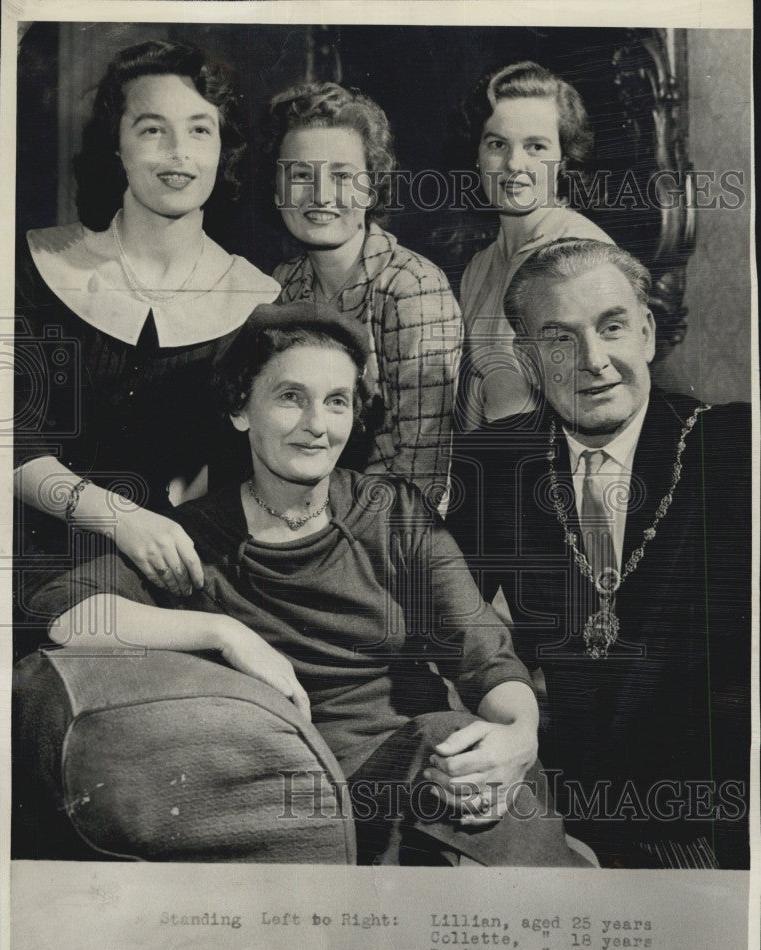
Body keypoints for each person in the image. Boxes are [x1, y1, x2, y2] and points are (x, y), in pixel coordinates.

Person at [30, 300, 592, 868]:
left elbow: (485, 657)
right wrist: (223, 632)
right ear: (240, 409)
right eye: (290, 397)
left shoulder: (391, 511)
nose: (317, 426)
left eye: (337, 402)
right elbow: (58, 610)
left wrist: (520, 734)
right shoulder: (196, 537)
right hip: (291, 803)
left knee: (462, 753)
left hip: (433, 764)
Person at [447, 238, 751, 868]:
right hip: (563, 811)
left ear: (645, 332)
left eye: (611, 327)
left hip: (715, 825)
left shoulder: (734, 450)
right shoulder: (496, 463)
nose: (593, 361)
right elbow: (444, 626)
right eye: (558, 339)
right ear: (528, 357)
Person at [14, 40, 280, 626]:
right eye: (152, 129)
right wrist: (121, 520)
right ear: (117, 143)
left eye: (200, 130)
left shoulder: (260, 302)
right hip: (25, 551)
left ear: (224, 148)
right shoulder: (34, 265)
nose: (177, 153)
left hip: (171, 566)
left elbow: (242, 478)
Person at [264, 82, 462, 499]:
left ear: (372, 188)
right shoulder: (281, 284)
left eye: (341, 175)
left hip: (389, 530)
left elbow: (424, 471)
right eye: (300, 175)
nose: (320, 195)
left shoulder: (411, 288)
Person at [454, 61, 613, 429]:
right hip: (499, 469)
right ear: (476, 155)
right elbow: (479, 400)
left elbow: (603, 405)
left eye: (536, 147)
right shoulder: (479, 267)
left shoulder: (584, 254)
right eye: (497, 144)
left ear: (563, 159)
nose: (514, 163)